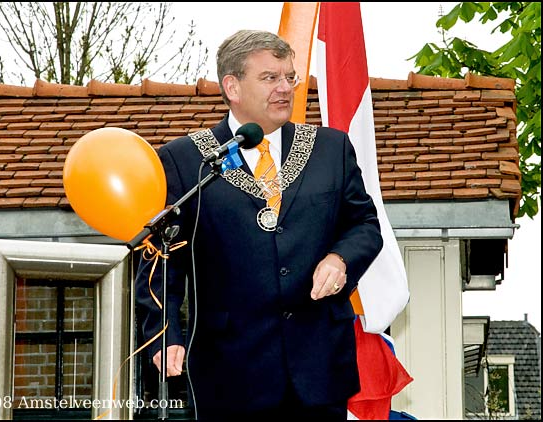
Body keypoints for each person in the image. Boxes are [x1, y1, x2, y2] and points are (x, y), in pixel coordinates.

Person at [135, 29, 383, 421]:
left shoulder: (329, 149)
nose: (285, 88)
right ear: (232, 86)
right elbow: (162, 258)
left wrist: (340, 258)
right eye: (270, 78)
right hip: (227, 371)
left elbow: (365, 225)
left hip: (318, 368)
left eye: (289, 77)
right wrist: (164, 335)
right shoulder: (186, 161)